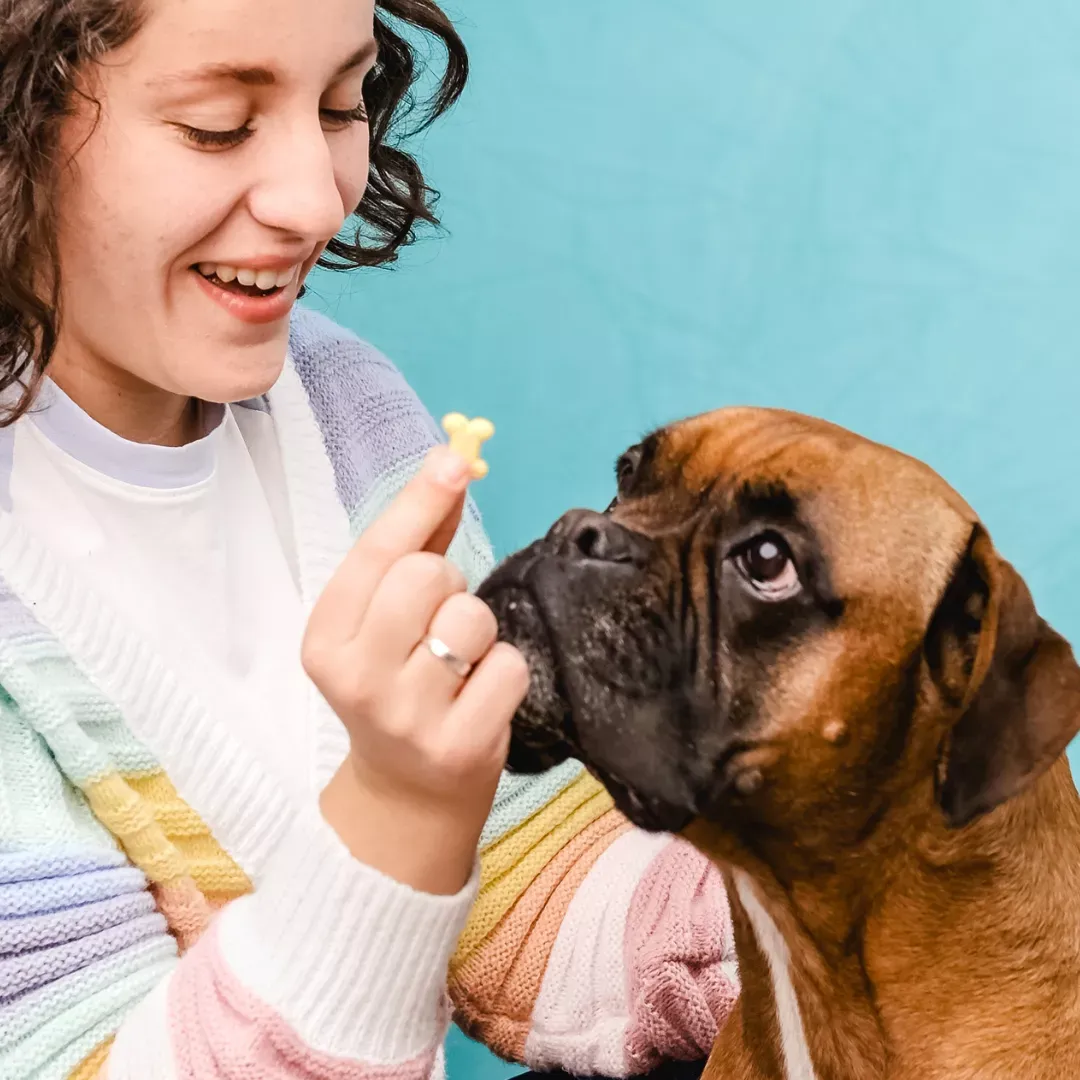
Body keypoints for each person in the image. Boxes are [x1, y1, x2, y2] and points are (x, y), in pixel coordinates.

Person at [0, 1, 738, 1077]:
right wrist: (397, 814)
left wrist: (831, 913)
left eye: (343, 103)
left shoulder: (342, 406)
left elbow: (519, 889)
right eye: (216, 123)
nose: (316, 200)